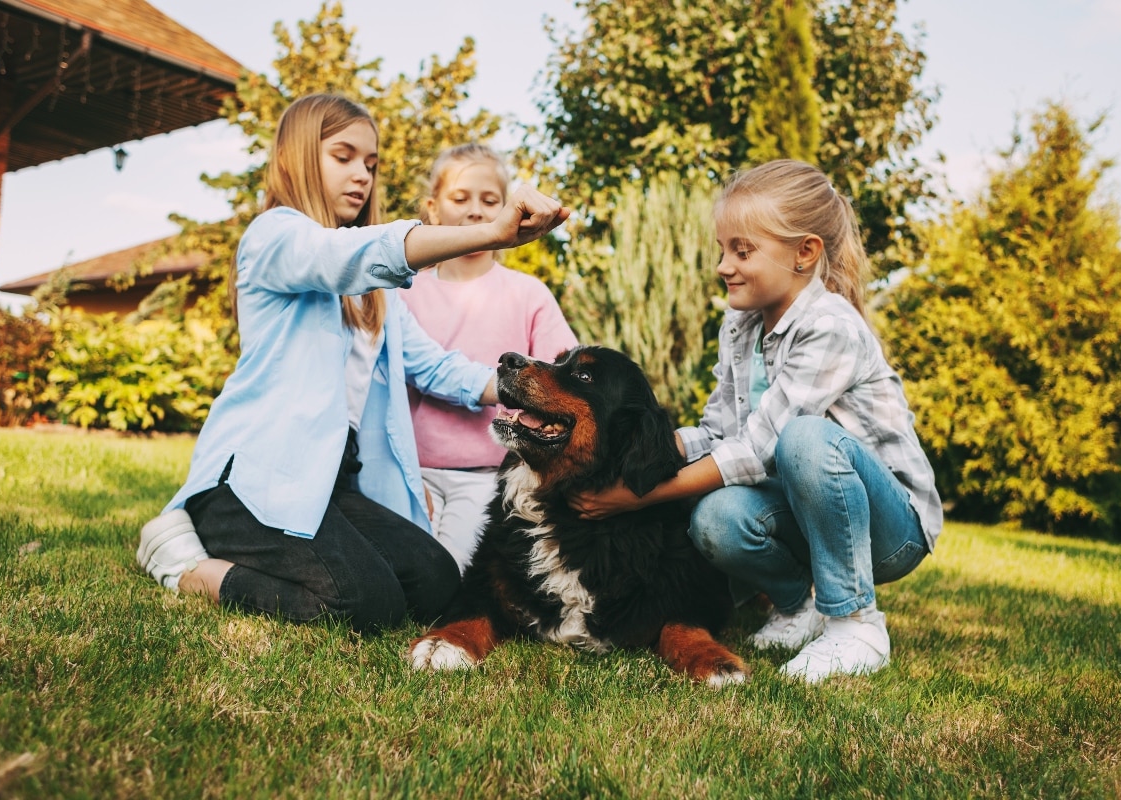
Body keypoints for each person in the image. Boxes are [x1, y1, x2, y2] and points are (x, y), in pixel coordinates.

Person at [135, 94, 568, 633]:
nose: (362, 175)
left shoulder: (374, 296)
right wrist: (490, 232)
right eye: (344, 156)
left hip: (332, 483)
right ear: (297, 156)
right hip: (251, 482)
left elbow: (433, 366)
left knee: (436, 583)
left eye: (371, 163)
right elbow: (346, 256)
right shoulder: (274, 237)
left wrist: (519, 393)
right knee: (361, 603)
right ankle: (187, 566)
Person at [568, 159, 942, 683]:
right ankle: (796, 606)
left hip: (890, 529)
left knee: (805, 439)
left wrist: (638, 495)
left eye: (742, 251)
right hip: (804, 511)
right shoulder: (740, 323)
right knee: (715, 518)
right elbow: (719, 433)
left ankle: (856, 622)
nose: (724, 265)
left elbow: (757, 450)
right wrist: (634, 453)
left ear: (804, 254)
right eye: (722, 250)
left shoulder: (831, 325)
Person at [399, 144, 578, 572]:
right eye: (460, 199)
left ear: (508, 211)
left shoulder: (528, 294)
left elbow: (562, 377)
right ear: (432, 209)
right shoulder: (403, 293)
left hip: (487, 474)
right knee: (400, 573)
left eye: (490, 201)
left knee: (450, 579)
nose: (476, 211)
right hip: (410, 472)